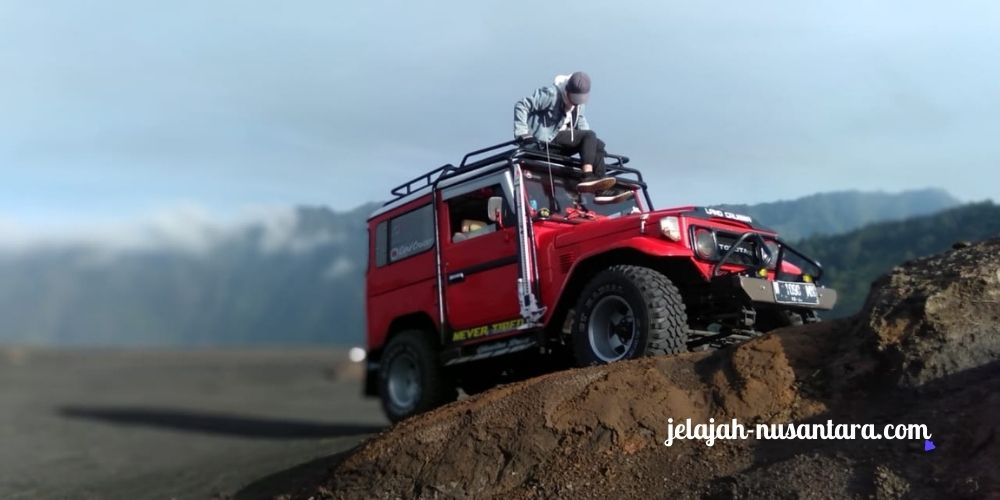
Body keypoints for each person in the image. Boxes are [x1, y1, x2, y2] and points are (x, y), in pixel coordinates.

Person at [513, 72, 632, 204]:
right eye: (574, 98)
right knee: (590, 136)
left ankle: (600, 190)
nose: (575, 103)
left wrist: (593, 148)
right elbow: (522, 105)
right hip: (545, 142)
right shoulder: (551, 95)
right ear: (567, 90)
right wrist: (523, 134)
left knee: (596, 143)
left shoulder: (579, 105)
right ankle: (587, 176)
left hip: (562, 142)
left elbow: (582, 124)